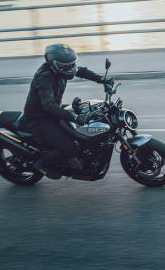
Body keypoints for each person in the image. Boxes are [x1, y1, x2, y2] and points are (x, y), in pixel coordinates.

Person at [22, 43, 112, 179]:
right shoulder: (44, 78)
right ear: (54, 64)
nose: (71, 69)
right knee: (69, 146)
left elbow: (81, 71)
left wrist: (102, 80)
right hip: (39, 118)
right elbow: (49, 106)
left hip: (54, 110)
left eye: (72, 64)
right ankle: (42, 164)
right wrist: (74, 118)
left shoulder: (62, 69)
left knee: (83, 119)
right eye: (66, 66)